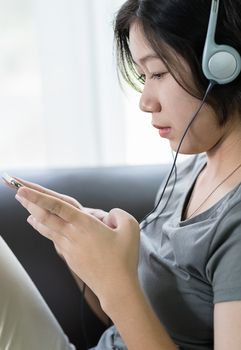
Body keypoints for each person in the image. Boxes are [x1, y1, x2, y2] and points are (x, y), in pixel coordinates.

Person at [1, 0, 241, 349]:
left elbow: (124, 299)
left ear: (222, 66)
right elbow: (121, 321)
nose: (145, 101)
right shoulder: (190, 172)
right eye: (144, 78)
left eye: (157, 73)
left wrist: (116, 280)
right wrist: (79, 247)